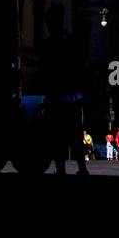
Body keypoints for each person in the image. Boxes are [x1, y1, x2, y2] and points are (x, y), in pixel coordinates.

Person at [38, 14, 89, 178]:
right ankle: (82, 168)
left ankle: (61, 169)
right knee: (74, 136)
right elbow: (80, 67)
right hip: (72, 99)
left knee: (58, 136)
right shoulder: (70, 43)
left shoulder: (48, 45)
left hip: (56, 100)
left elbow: (43, 72)